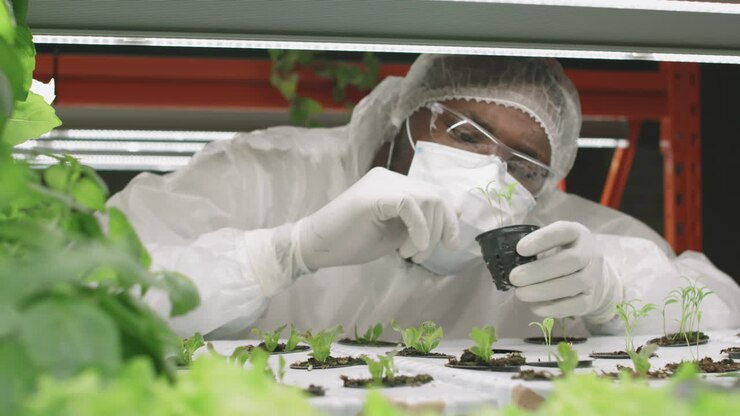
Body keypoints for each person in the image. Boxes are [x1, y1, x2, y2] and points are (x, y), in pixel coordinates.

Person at [109, 55, 740, 339]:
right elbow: (90, 292)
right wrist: (281, 254)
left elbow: (719, 317)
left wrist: (614, 297)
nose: (489, 171)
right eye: (464, 132)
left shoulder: (564, 237)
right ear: (403, 117)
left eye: (524, 164)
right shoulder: (266, 176)